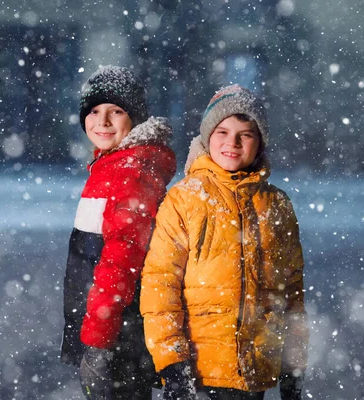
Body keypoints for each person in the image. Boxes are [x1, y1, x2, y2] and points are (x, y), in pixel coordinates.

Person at [140, 84, 309, 400]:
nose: (232, 142)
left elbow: (292, 292)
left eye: (245, 134)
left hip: (254, 371)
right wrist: (172, 362)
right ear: (207, 137)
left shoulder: (277, 206)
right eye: (222, 132)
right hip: (198, 370)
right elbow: (160, 284)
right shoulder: (185, 199)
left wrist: (293, 365)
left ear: (259, 143)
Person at [61, 65, 177, 400]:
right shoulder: (113, 164)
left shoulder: (130, 171)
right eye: (94, 111)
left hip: (117, 337)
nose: (103, 122)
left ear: (136, 119)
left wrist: (98, 342)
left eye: (116, 111)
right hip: (112, 331)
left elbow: (120, 261)